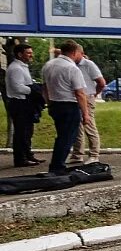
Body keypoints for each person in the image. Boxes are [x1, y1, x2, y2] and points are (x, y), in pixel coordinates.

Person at [41, 40, 91, 174]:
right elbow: (80, 93)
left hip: (55, 104)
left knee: (61, 135)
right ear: (74, 52)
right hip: (69, 105)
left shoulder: (48, 65)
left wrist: (49, 103)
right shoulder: (72, 68)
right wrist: (86, 113)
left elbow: (45, 87)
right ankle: (57, 166)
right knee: (68, 137)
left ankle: (57, 163)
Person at [5, 43, 43, 167]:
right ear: (20, 54)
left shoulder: (23, 67)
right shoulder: (16, 68)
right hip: (19, 102)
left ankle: (28, 154)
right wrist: (33, 90)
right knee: (22, 131)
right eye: (28, 53)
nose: (31, 55)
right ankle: (20, 158)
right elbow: (17, 87)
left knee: (28, 130)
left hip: (25, 102)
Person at [69, 53, 106, 164]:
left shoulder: (88, 64)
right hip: (75, 97)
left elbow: (101, 82)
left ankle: (94, 154)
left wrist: (93, 94)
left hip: (86, 96)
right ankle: (77, 154)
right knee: (77, 127)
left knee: (89, 125)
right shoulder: (71, 65)